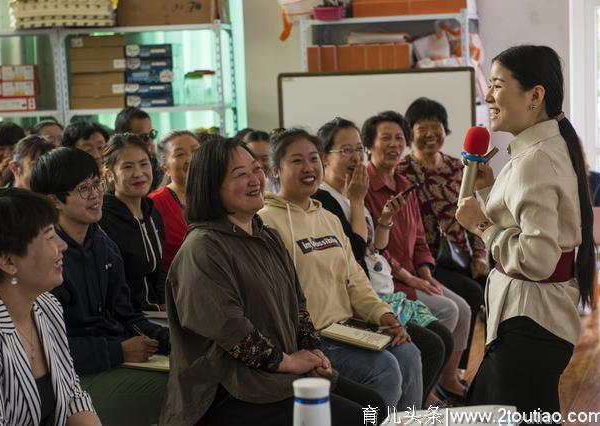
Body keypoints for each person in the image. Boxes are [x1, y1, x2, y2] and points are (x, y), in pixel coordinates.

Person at [160, 136, 386, 425]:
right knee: (356, 418)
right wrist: (290, 363)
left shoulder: (266, 235)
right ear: (212, 187)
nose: (256, 179)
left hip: (280, 372)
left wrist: (312, 351)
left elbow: (299, 305)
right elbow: (232, 331)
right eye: (241, 174)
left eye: (256, 169)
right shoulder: (203, 247)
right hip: (231, 388)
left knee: (374, 408)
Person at [455, 45, 595, 417]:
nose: (487, 95)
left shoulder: (535, 160)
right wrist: (488, 189)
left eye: (498, 85)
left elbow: (537, 258)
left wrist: (480, 226)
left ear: (535, 96)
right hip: (532, 319)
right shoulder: (541, 149)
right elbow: (524, 220)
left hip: (530, 321)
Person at [259, 128, 423, 411]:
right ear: (276, 170)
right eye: (297, 161)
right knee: (384, 368)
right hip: (311, 338)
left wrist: (383, 315)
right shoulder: (266, 222)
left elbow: (356, 279)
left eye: (313, 159)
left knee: (409, 354)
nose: (309, 168)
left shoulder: (328, 218)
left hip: (346, 329)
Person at [313, 117, 452, 406]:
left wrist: (385, 220)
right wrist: (358, 201)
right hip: (357, 303)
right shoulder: (325, 200)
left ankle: (415, 407)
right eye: (345, 151)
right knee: (425, 347)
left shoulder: (352, 192)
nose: (355, 158)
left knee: (436, 340)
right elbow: (352, 253)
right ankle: (412, 408)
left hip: (378, 292)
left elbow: (374, 248)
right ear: (325, 156)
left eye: (357, 150)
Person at [30, 147, 171, 425]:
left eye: (96, 183)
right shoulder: (42, 257)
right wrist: (117, 351)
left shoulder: (103, 244)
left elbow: (126, 315)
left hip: (112, 359)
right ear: (54, 201)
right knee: (182, 392)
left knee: (200, 372)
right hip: (71, 380)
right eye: (83, 188)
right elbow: (44, 348)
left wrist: (170, 340)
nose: (95, 194)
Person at [362, 110, 472, 402]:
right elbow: (374, 247)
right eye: (385, 138)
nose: (394, 144)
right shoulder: (363, 188)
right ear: (369, 145)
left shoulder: (404, 184)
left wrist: (424, 270)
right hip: (391, 283)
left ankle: (446, 377)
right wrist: (411, 277)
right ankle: (427, 390)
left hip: (413, 274)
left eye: (399, 138)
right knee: (448, 309)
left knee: (464, 308)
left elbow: (420, 237)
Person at [0, 187, 101, 425]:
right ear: (8, 261)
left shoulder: (46, 306)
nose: (63, 246)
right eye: (50, 236)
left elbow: (72, 395)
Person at [398, 97, 486, 377]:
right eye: (422, 128)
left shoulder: (458, 168)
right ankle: (452, 373)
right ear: (410, 132)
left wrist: (481, 255)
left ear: (445, 129)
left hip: (459, 255)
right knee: (471, 292)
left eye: (435, 127)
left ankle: (468, 366)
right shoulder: (402, 171)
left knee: (489, 283)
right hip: (426, 260)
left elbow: (476, 210)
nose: (429, 134)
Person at [100, 133, 167, 311]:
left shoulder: (152, 214)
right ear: (109, 174)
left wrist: (163, 303)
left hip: (156, 313)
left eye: (144, 164)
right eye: (127, 167)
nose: (139, 173)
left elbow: (158, 271)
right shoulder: (101, 221)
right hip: (127, 320)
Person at [149, 130, 199, 272]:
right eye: (180, 154)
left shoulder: (217, 195)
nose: (190, 159)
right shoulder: (154, 203)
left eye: (195, 151)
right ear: (165, 168)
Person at [115, 107, 163, 191]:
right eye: (143, 137)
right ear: (124, 138)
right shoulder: (115, 167)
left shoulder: (161, 165)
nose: (150, 141)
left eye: (151, 134)